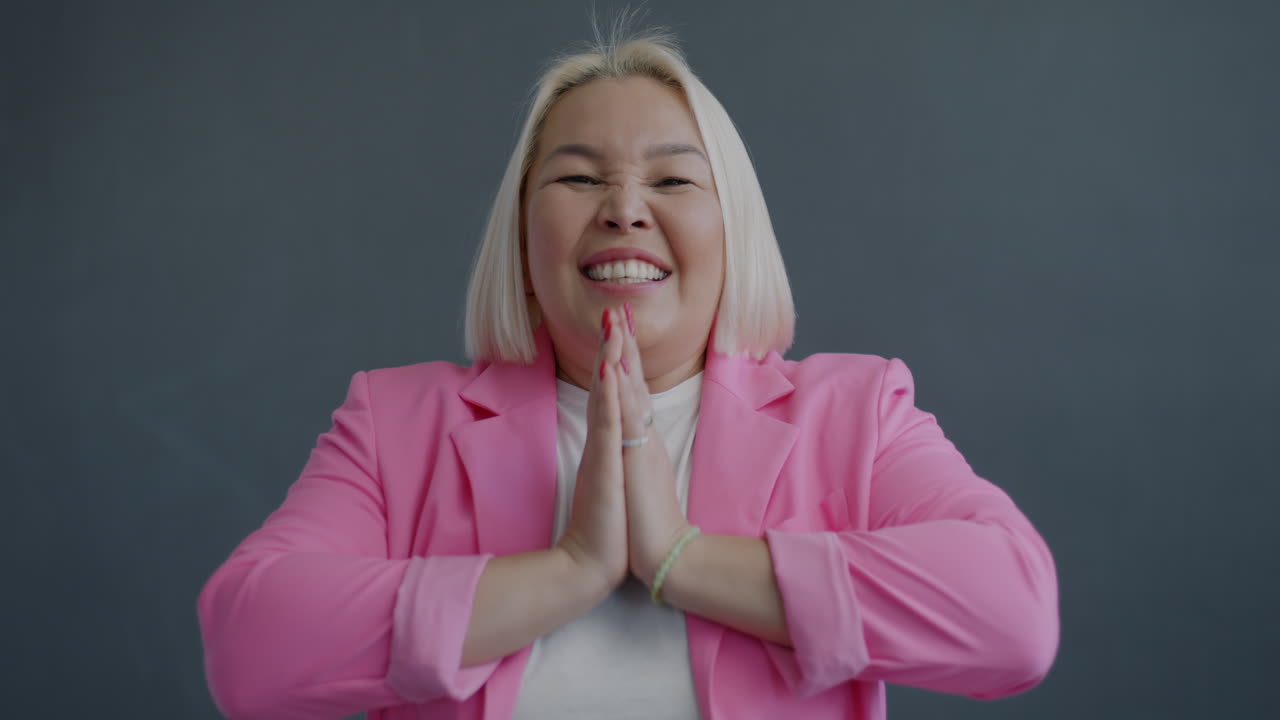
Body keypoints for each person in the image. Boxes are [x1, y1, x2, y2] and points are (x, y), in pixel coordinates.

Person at [197, 26, 1058, 720]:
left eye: (673, 179)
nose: (624, 208)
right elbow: (252, 647)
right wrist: (571, 569)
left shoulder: (855, 415)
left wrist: (681, 559)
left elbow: (1012, 618)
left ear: (735, 234)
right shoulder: (397, 424)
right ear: (524, 243)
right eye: (577, 177)